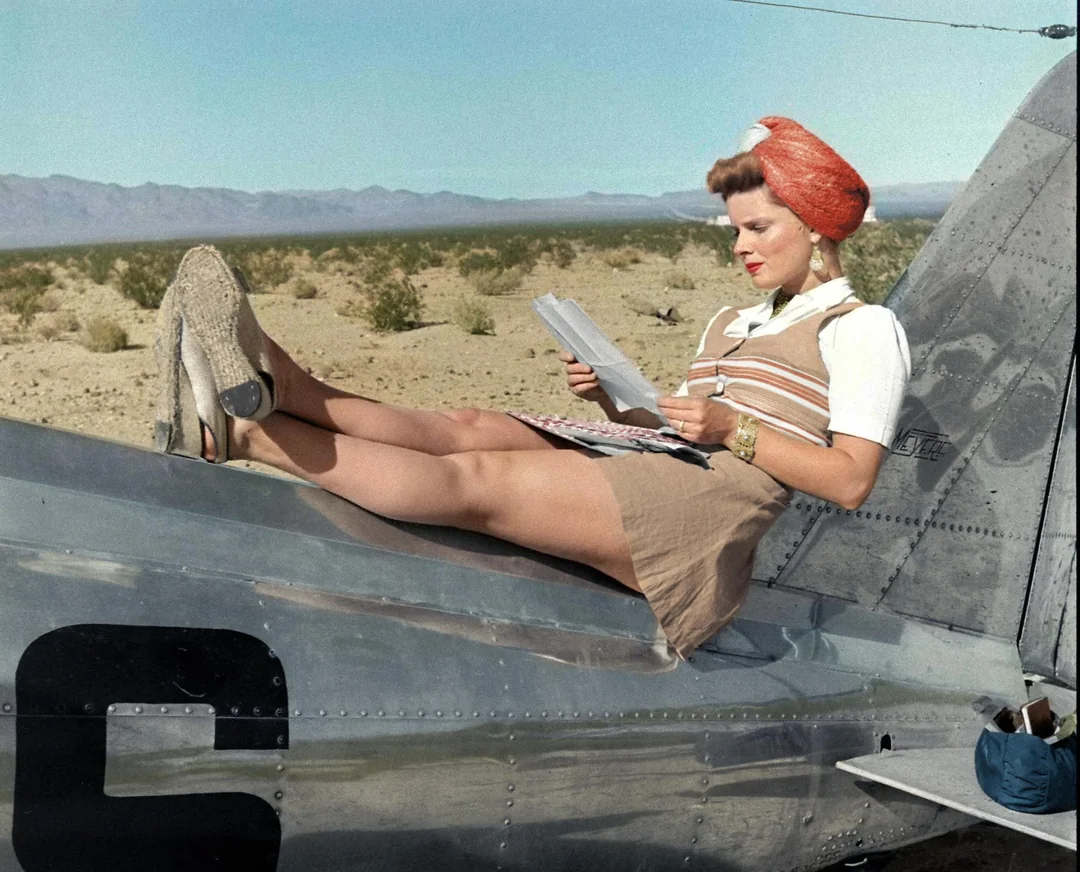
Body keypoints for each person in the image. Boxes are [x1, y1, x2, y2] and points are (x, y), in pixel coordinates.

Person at [155, 117, 909, 658]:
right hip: (667, 461)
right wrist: (611, 399)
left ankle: (249, 434)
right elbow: (682, 427)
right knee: (471, 424)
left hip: (703, 522)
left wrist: (730, 431)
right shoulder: (733, 321)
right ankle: (284, 385)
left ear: (814, 228)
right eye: (734, 230)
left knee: (478, 479)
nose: (742, 247)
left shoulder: (863, 327)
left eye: (759, 229)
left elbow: (850, 481)